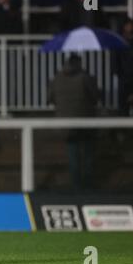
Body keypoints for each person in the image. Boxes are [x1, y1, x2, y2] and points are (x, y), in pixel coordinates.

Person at [48, 54, 99, 190]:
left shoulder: (57, 78)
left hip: (65, 123)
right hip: (85, 120)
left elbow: (50, 98)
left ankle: (76, 185)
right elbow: (95, 97)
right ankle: (87, 185)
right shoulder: (85, 77)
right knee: (87, 153)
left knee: (73, 154)